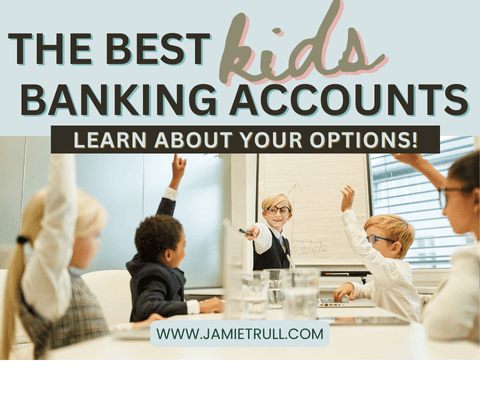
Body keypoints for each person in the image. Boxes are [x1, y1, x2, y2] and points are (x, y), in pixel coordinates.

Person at [0, 154, 163, 360]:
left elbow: (87, 336)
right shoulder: (46, 281)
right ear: (68, 234)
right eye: (95, 234)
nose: (99, 243)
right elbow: (61, 210)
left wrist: (135, 327)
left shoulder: (66, 281)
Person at [392, 151, 479, 342]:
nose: (444, 211)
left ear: (477, 200)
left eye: (446, 198)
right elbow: (460, 193)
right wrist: (419, 163)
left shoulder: (474, 261)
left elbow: (440, 326)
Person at [127, 154, 223, 321]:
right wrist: (199, 306)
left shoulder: (149, 256)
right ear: (168, 254)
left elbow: (161, 222)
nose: (185, 252)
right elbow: (147, 308)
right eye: (183, 246)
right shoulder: (153, 275)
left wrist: (176, 179)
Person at [333, 186, 421, 321]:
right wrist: (351, 286)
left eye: (372, 239)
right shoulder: (385, 277)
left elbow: (364, 250)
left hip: (403, 336)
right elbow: (365, 290)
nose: (368, 244)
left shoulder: (395, 271)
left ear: (395, 247)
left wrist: (347, 211)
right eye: (367, 239)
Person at [243, 194, 295, 271]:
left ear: (289, 216)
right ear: (264, 214)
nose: (277, 215)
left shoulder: (285, 241)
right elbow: (262, 231)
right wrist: (256, 229)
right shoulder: (266, 235)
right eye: (272, 210)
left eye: (282, 210)